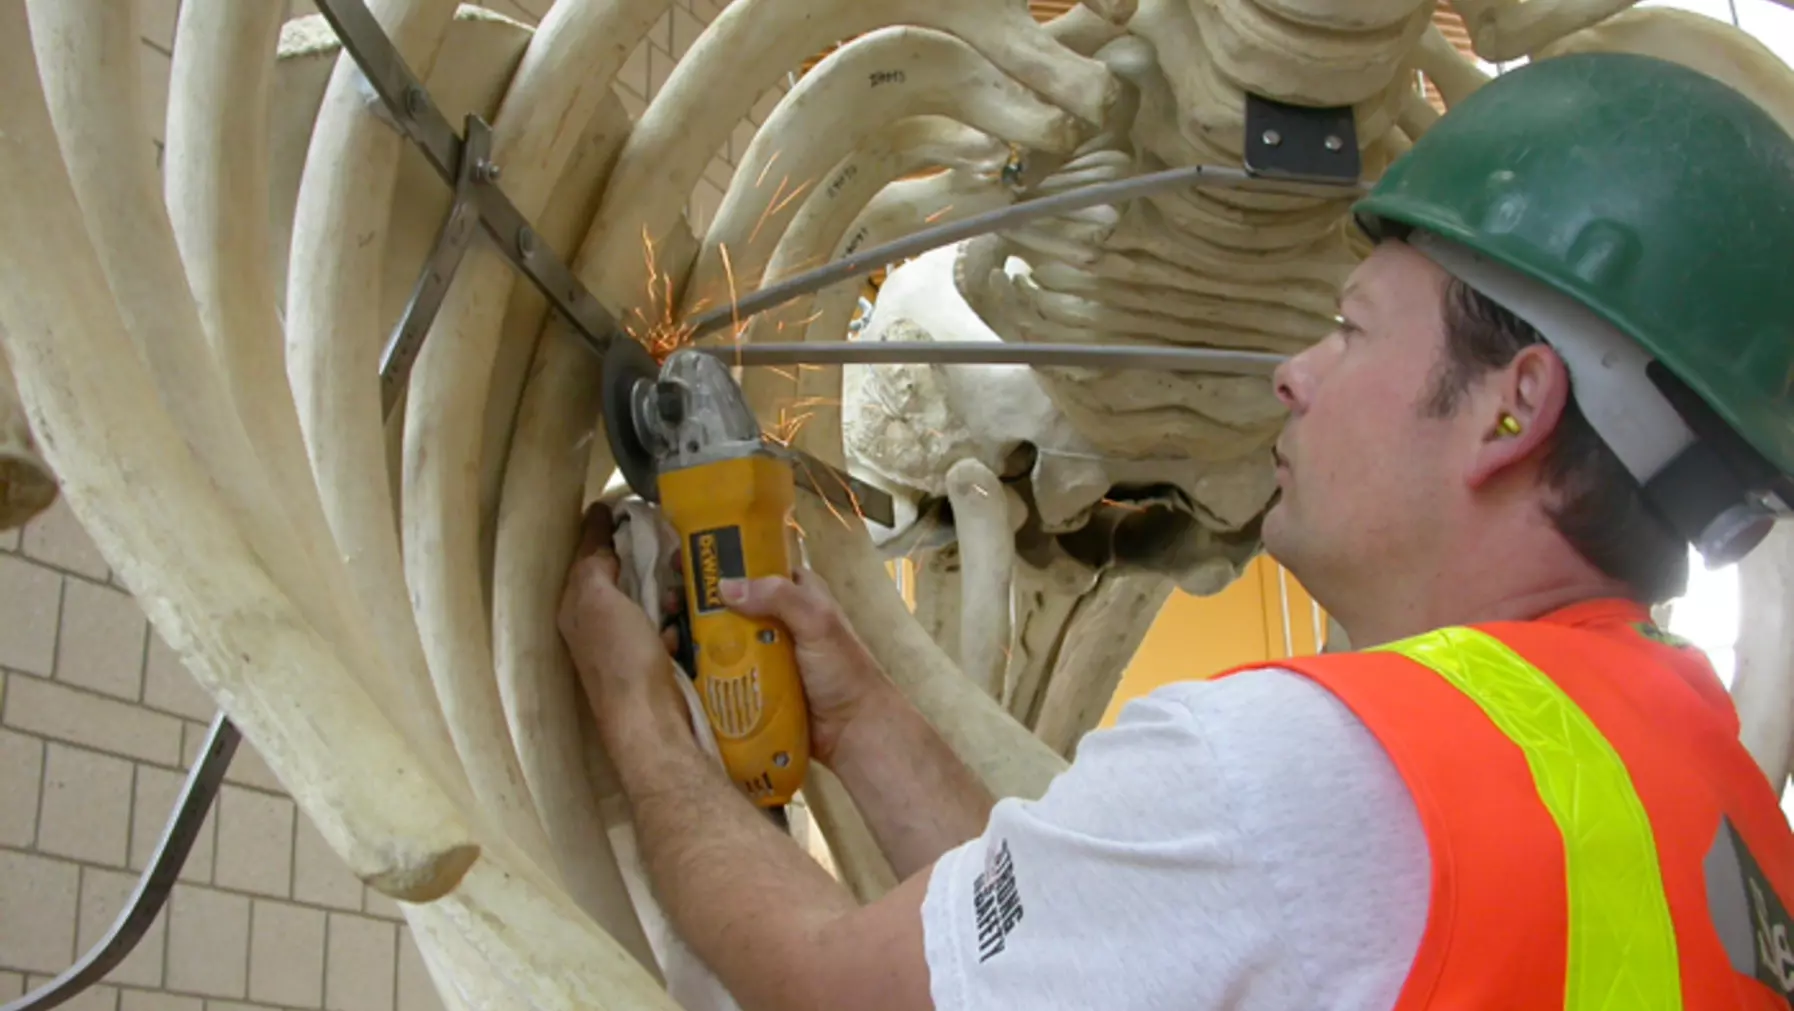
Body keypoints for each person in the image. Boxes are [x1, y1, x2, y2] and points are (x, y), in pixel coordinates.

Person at [558, 51, 1794, 1009]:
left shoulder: (1314, 772)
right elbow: (1089, 937)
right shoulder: (1722, 811)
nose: (1293, 375)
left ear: (1513, 406)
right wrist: (866, 720)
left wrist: (635, 712)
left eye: (1351, 329)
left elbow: (839, 985)